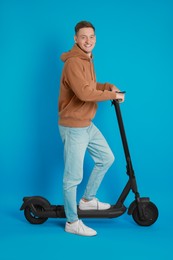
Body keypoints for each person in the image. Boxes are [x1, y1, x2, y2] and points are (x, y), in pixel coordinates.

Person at [58, 21, 125, 236]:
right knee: (72, 178)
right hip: (73, 126)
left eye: (92, 37)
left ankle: (87, 200)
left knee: (106, 158)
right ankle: (71, 222)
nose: (88, 41)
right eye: (83, 37)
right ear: (75, 39)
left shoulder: (87, 59)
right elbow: (84, 94)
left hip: (86, 123)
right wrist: (112, 96)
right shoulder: (73, 63)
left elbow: (90, 86)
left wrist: (107, 87)